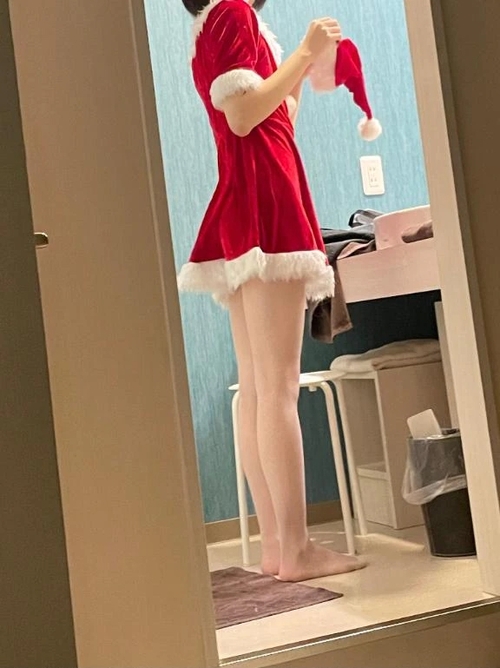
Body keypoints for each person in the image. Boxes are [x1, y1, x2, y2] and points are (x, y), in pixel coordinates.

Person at [178, 0, 364, 581]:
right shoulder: (233, 13)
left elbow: (277, 118)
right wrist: (305, 51)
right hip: (267, 202)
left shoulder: (216, 24)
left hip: (246, 198)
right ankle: (298, 550)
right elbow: (241, 116)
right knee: (276, 387)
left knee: (260, 387)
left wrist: (302, 65)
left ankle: (279, 548)